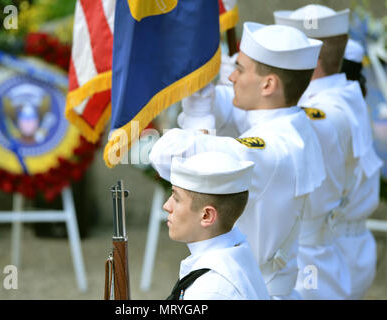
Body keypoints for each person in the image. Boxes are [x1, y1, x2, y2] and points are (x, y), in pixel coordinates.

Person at [150, 22, 326, 299]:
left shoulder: (274, 148)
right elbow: (229, 105)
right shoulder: (291, 120)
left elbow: (165, 154)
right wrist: (201, 82)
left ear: (268, 84)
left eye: (240, 69)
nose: (231, 77)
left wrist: (199, 117)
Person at [274, 4, 383, 299]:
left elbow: (279, 128)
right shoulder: (348, 95)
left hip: (325, 248)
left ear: (312, 59)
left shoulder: (322, 110)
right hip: (350, 242)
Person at [158, 151, 269, 300]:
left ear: (206, 216)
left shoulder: (210, 291)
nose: (166, 205)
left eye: (176, 199)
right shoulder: (235, 251)